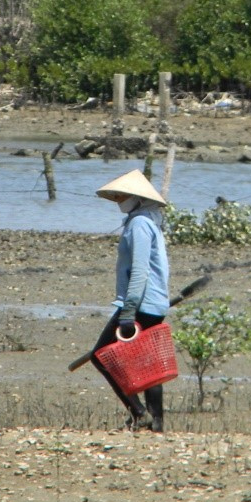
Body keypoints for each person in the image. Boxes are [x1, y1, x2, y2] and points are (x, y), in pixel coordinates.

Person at [91, 169, 171, 432]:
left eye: (121, 195)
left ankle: (139, 412)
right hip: (154, 303)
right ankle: (156, 423)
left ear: (137, 197)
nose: (117, 199)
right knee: (148, 364)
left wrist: (128, 311)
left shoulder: (139, 224)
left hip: (141, 303)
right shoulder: (148, 220)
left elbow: (140, 270)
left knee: (101, 356)